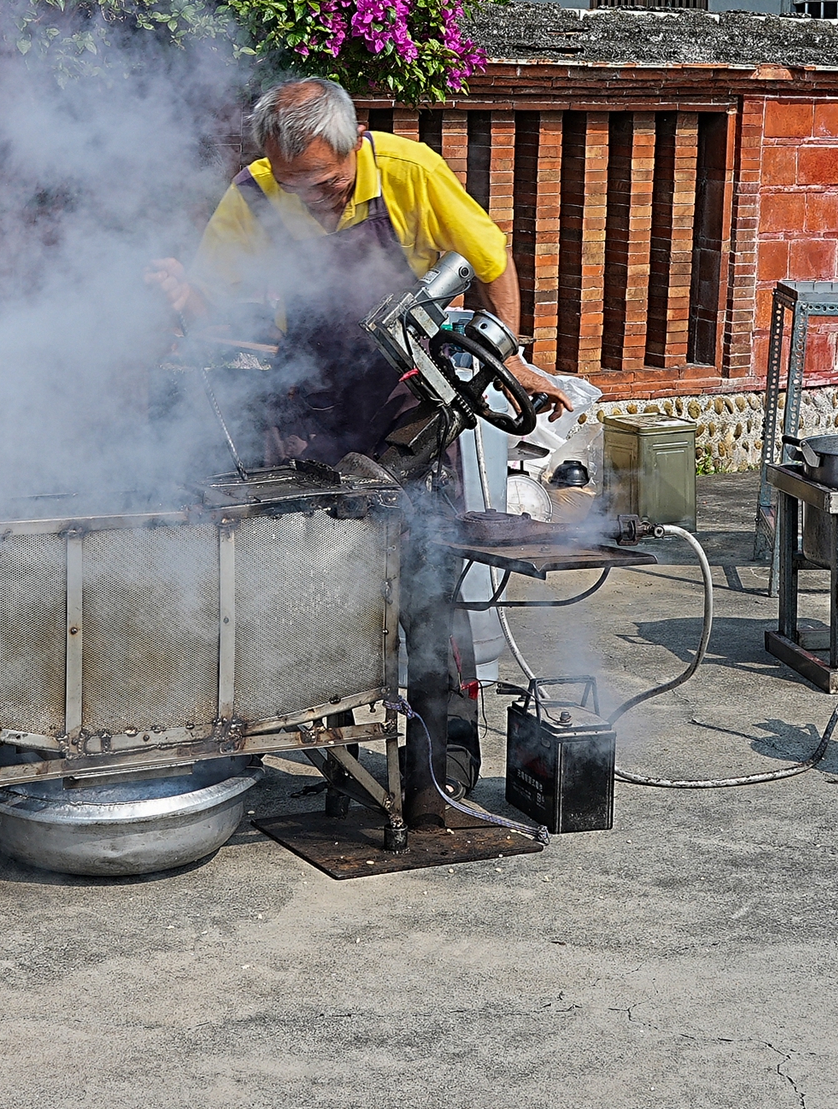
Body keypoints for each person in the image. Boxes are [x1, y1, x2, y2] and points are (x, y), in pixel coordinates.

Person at [148, 79, 571, 829]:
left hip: (408, 409)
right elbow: (215, 310)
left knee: (428, 592)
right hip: (309, 417)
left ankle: (445, 762)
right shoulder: (251, 197)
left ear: (350, 147)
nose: (310, 197)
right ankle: (338, 756)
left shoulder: (411, 172)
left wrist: (515, 362)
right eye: (293, 184)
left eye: (324, 181)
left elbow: (489, 262)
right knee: (318, 593)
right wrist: (187, 303)